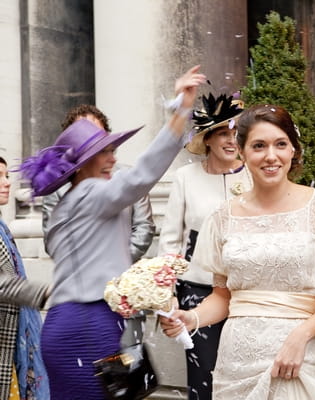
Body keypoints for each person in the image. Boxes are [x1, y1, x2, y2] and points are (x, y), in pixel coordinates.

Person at [15, 65, 206, 399]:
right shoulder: (91, 195)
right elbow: (142, 175)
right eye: (101, 152)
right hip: (89, 324)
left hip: (70, 323)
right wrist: (180, 112)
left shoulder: (67, 204)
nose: (110, 159)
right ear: (79, 165)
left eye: (111, 150)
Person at [160, 104, 315, 399]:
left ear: (293, 149)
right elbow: (222, 297)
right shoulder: (222, 218)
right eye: (258, 146)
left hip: (301, 359)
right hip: (237, 361)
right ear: (242, 152)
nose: (271, 156)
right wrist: (192, 319)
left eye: (280, 144)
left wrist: (301, 336)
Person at [158, 92, 251, 399]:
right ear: (208, 138)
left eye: (236, 132)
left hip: (246, 294)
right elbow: (170, 241)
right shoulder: (185, 178)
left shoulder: (255, 175)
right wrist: (166, 294)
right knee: (204, 379)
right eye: (223, 132)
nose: (230, 140)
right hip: (197, 292)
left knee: (245, 377)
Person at [42, 104, 156, 263]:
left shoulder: (128, 176)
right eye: (84, 134)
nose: (93, 141)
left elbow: (144, 226)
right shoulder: (57, 188)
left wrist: (117, 262)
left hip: (124, 276)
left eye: (98, 135)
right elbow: (53, 241)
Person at [0, 156, 50, 399]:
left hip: (10, 337)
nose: (7, 183)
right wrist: (46, 292)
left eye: (6, 175)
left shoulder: (2, 227)